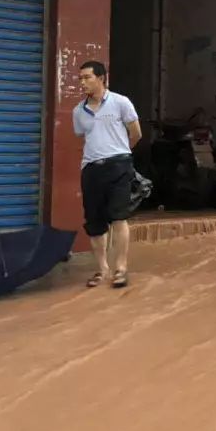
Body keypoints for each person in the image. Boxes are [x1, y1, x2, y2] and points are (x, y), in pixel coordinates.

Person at [73, 61, 142, 289]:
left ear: (101, 78)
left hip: (118, 166)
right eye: (80, 78)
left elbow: (136, 133)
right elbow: (83, 136)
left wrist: (120, 153)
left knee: (119, 217)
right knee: (94, 221)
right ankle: (102, 269)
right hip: (91, 169)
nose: (82, 82)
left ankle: (121, 268)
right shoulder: (78, 111)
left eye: (87, 77)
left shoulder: (121, 102)